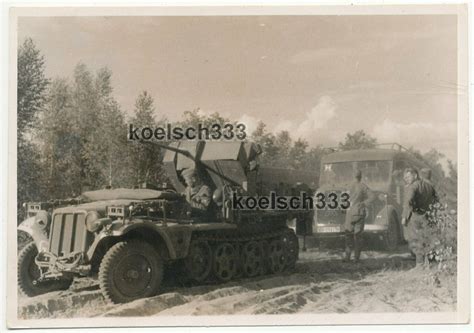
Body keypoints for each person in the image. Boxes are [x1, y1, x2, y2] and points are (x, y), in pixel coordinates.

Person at [401, 167, 437, 266]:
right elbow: (436, 199)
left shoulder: (413, 186)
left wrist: (404, 216)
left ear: (415, 175)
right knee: (426, 237)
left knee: (415, 239)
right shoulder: (429, 186)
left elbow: (408, 201)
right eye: (405, 177)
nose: (406, 178)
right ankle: (428, 261)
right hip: (427, 215)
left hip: (415, 216)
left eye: (408, 176)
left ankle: (419, 264)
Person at [343, 169, 375, 263]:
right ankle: (356, 258)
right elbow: (373, 196)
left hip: (349, 213)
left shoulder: (347, 187)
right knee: (358, 236)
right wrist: (364, 203)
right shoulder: (363, 186)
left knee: (348, 235)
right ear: (360, 177)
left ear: (352, 176)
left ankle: (347, 257)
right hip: (359, 212)